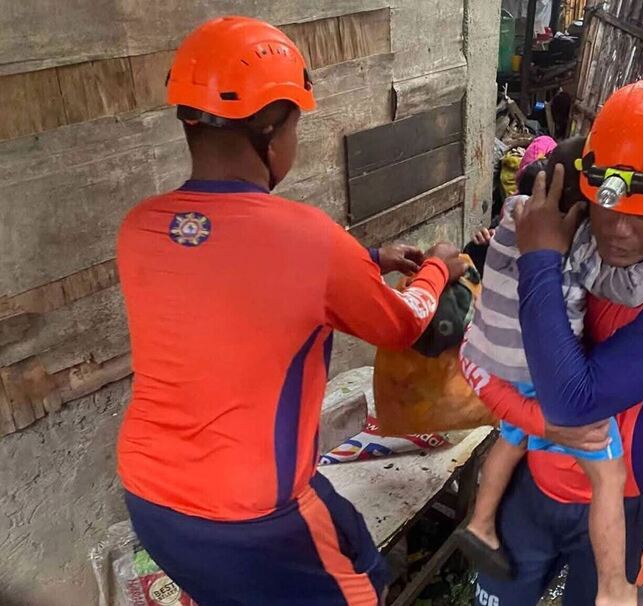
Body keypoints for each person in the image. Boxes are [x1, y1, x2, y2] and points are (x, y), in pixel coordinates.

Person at [115, 17, 464, 605]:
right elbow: (403, 324)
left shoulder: (140, 229)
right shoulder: (309, 238)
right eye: (297, 125)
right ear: (271, 133)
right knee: (363, 593)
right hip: (252, 516)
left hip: (150, 499)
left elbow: (234, 274)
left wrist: (370, 258)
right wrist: (439, 269)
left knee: (351, 539)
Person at [460, 81, 643, 606]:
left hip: (620, 503)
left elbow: (570, 401)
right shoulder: (568, 249)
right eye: (608, 202)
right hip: (535, 483)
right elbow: (482, 356)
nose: (619, 229)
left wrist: (539, 258)